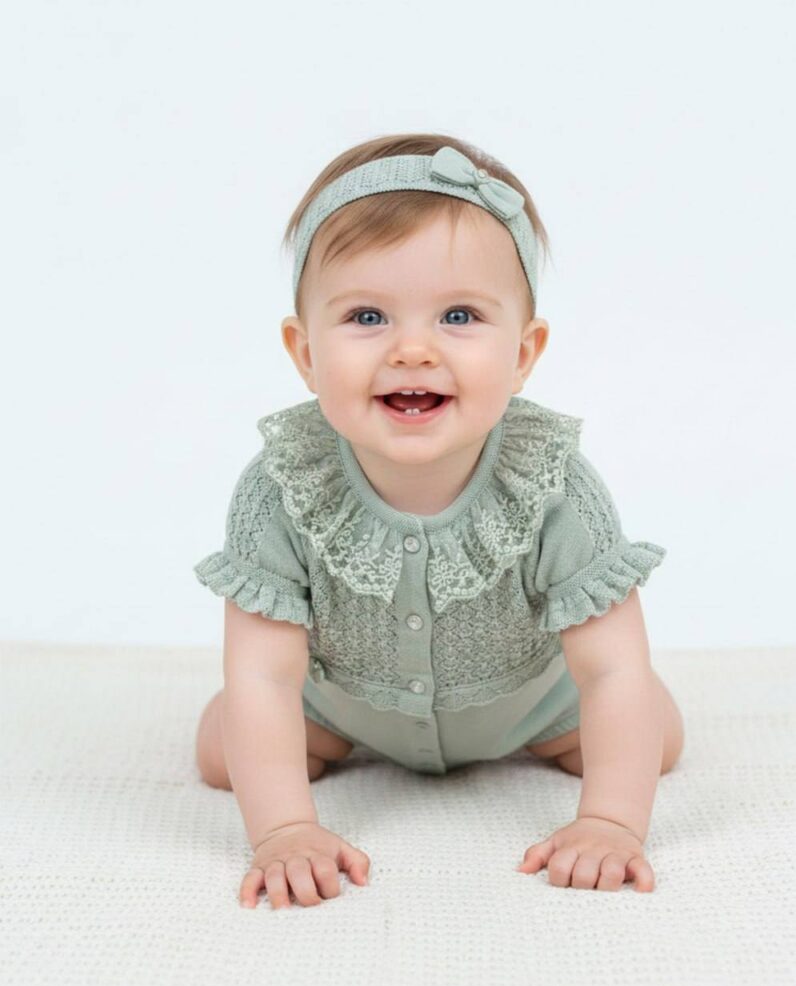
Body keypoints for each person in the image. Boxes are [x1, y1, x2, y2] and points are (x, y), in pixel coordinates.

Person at [192, 132, 685, 911]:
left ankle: (574, 748)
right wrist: (285, 829)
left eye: (459, 315)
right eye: (366, 316)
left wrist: (610, 821)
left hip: (532, 707)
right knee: (223, 748)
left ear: (523, 354)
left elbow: (611, 669)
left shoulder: (554, 485)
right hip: (345, 706)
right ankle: (319, 747)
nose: (413, 349)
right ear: (305, 352)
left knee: (654, 728)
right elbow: (263, 672)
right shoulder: (281, 487)